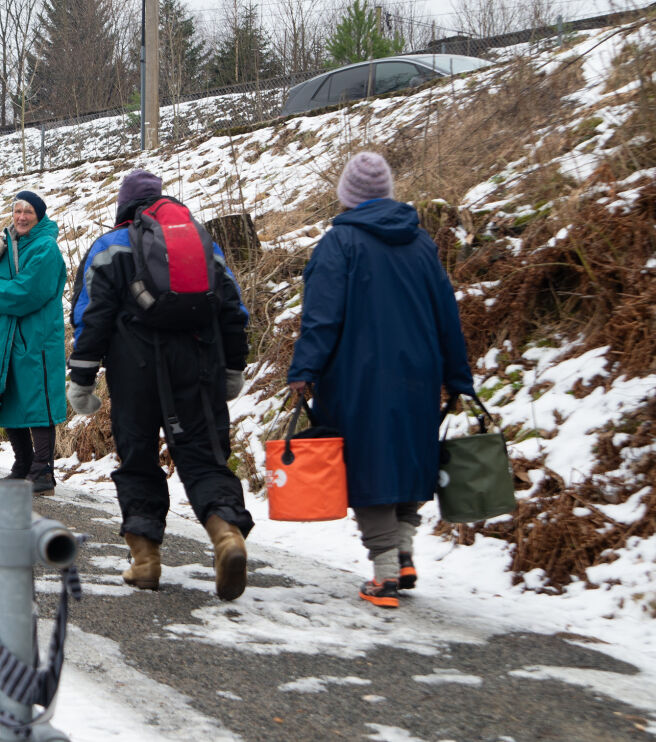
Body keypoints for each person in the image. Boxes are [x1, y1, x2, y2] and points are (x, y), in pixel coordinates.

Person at [287, 152, 474, 608]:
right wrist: (457, 376)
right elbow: (446, 314)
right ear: (387, 191)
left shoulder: (340, 243)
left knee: (368, 465)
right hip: (419, 372)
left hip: (358, 376)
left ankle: (385, 572)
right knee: (410, 459)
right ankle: (404, 553)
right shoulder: (420, 242)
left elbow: (321, 318)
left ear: (347, 196)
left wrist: (304, 371)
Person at [66, 169, 254, 601]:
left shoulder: (109, 247)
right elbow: (231, 307)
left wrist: (82, 376)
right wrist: (234, 367)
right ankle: (226, 535)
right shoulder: (200, 242)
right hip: (199, 362)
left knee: (138, 458)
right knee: (205, 456)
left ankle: (145, 560)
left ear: (123, 206)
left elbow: (90, 317)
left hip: (134, 369)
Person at [0, 190, 67, 495]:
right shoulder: (8, 243)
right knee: (11, 395)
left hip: (36, 337)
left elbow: (25, 293)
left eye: (28, 211)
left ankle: (43, 472)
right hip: (8, 336)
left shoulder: (46, 249)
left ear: (39, 215)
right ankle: (23, 464)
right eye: (17, 211)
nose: (22, 217)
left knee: (37, 399)